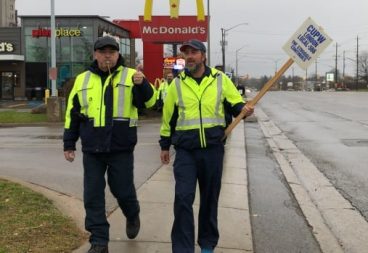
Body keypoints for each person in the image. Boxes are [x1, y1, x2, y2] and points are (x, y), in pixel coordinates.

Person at [159, 39, 254, 253]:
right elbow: (168, 119)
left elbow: (235, 103)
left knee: (210, 199)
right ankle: (183, 249)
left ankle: (208, 245)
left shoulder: (220, 80)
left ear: (203, 56)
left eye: (194, 52)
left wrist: (244, 110)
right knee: (183, 198)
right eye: (186, 53)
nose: (189, 56)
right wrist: (164, 145)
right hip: (185, 152)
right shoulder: (177, 84)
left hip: (213, 150)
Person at [63, 36, 156, 253]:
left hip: (120, 147)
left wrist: (143, 85)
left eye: (111, 52)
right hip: (92, 148)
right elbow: (72, 114)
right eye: (103, 51)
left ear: (117, 55)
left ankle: (132, 214)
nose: (107, 55)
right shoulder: (82, 80)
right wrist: (69, 143)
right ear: (95, 54)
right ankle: (99, 241)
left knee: (122, 190)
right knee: (93, 195)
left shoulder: (132, 76)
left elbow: (153, 103)